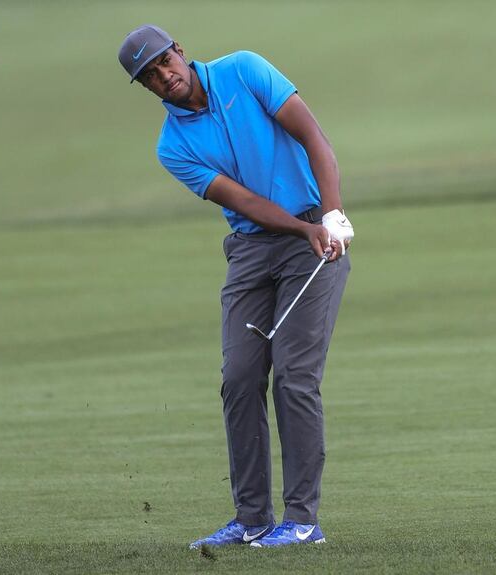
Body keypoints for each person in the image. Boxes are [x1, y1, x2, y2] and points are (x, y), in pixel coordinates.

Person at [118, 25, 353, 548]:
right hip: (252, 250)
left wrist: (331, 216)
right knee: (240, 379)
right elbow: (243, 202)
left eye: (164, 62)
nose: (164, 76)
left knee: (293, 376)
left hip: (314, 238)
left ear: (179, 51)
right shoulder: (172, 147)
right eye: (150, 76)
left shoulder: (243, 70)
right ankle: (252, 519)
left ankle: (302, 521)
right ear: (147, 87)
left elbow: (313, 137)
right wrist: (302, 230)